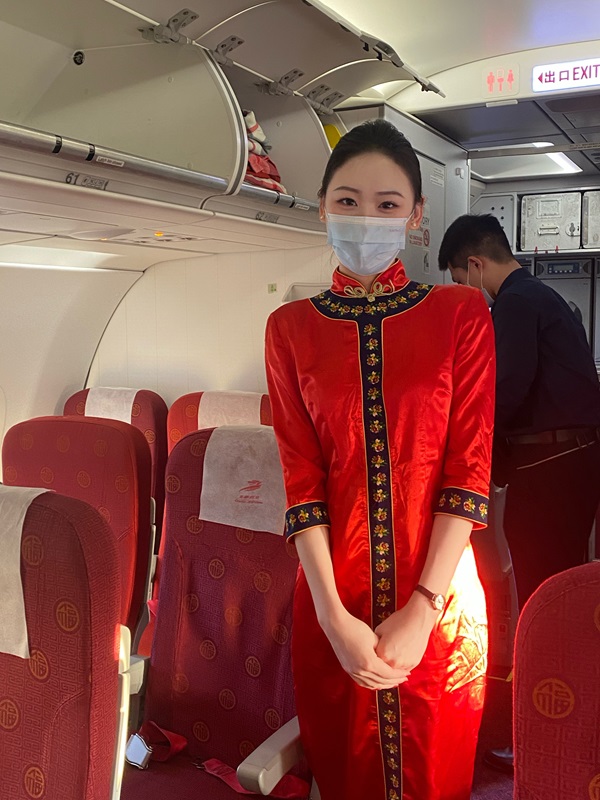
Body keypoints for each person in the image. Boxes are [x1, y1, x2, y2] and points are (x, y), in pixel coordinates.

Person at [265, 120, 495, 800]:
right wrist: (334, 619)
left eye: (387, 204)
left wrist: (423, 608)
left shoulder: (460, 314)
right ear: (322, 206)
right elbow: (301, 481)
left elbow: (467, 472)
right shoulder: (289, 329)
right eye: (348, 200)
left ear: (415, 216)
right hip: (333, 601)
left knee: (434, 777)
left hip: (440, 597)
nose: (366, 217)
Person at [438, 213, 600, 773]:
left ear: (474, 265)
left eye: (460, 279)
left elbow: (505, 391)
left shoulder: (514, 304)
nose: (466, 291)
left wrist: (462, 451)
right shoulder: (542, 297)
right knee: (559, 591)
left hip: (550, 467)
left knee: (541, 596)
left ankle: (544, 731)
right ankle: (567, 715)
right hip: (570, 462)